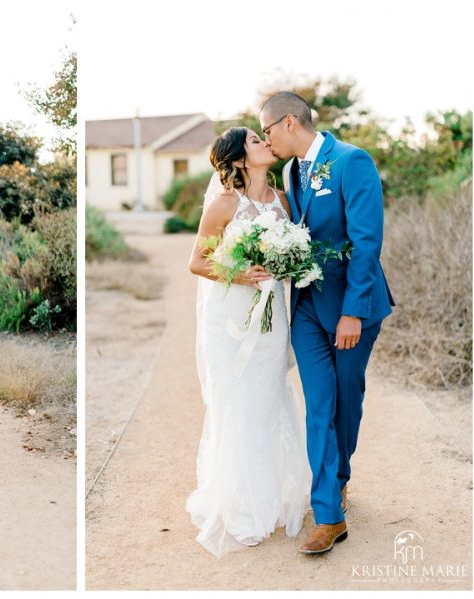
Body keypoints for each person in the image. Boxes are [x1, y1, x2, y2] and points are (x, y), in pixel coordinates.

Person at [259, 91, 395, 554]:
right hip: (307, 310)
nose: (266, 139)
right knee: (318, 405)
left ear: (290, 122)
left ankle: (338, 478)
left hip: (351, 308)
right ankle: (328, 515)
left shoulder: (352, 162)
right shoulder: (288, 172)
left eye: (268, 130)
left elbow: (366, 240)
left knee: (345, 404)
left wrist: (353, 312)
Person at [186, 127, 310, 557]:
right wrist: (241, 275)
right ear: (239, 160)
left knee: (268, 398)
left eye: (263, 137)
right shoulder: (223, 204)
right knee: (236, 402)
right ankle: (241, 509)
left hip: (272, 318)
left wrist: (290, 263)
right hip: (230, 319)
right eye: (256, 141)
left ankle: (272, 496)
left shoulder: (283, 202)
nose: (265, 143)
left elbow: (296, 254)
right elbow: (197, 261)